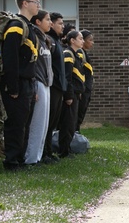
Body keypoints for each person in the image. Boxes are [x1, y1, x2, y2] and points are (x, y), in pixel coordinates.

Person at [1, 0, 41, 170]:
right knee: (16, 124)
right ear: (25, 3)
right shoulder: (16, 25)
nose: (39, 5)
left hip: (28, 82)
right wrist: (13, 87)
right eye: (36, 2)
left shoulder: (29, 27)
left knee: (24, 123)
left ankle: (20, 159)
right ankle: (11, 161)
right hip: (17, 82)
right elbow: (10, 57)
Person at [25, 10, 54, 165]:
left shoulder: (45, 39)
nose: (50, 22)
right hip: (38, 82)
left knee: (44, 124)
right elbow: (33, 63)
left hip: (46, 83)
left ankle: (38, 156)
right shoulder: (34, 37)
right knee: (36, 123)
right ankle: (30, 158)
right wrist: (34, 86)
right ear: (38, 22)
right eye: (47, 19)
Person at [42, 12, 67, 162]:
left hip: (59, 87)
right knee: (47, 122)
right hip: (51, 86)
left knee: (53, 123)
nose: (62, 26)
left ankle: (49, 151)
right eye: (60, 23)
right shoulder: (49, 41)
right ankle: (44, 153)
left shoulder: (57, 42)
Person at [58, 29, 85, 158]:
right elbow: (67, 77)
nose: (83, 41)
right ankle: (63, 151)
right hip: (71, 95)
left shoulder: (78, 54)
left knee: (72, 123)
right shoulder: (68, 54)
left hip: (76, 94)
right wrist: (68, 95)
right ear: (72, 40)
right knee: (67, 124)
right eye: (80, 38)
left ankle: (67, 149)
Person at [76, 30, 94, 131]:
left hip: (87, 89)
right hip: (82, 90)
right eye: (90, 40)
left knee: (81, 115)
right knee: (77, 116)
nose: (92, 42)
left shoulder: (84, 53)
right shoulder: (79, 53)